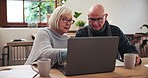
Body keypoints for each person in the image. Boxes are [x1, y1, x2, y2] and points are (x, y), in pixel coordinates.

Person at [75, 4, 141, 65]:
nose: (95, 23)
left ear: (105, 17)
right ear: (88, 17)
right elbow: (76, 56)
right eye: (92, 19)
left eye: (99, 19)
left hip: (112, 69)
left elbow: (127, 48)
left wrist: (134, 54)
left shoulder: (116, 31)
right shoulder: (81, 33)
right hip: (87, 68)